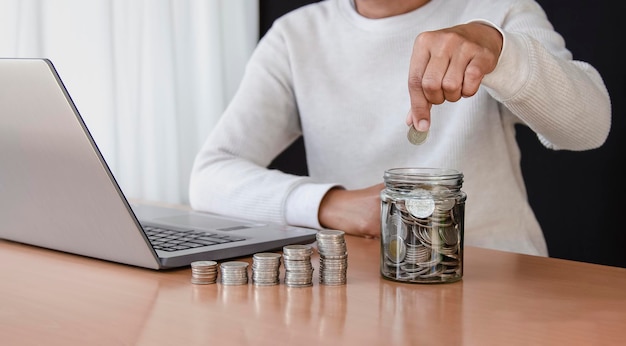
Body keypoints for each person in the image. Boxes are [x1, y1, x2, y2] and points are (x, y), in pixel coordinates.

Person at [188, 0, 611, 256]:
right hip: (356, 289)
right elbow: (209, 177)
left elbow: (590, 127)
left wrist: (502, 52)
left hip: (495, 277)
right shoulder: (295, 36)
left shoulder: (495, 12)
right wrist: (330, 205)